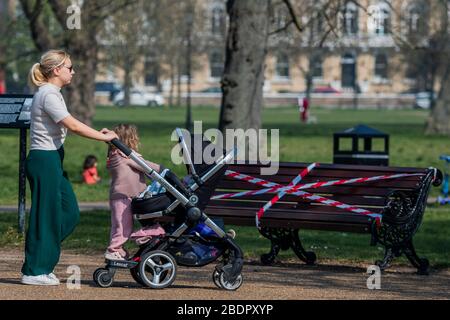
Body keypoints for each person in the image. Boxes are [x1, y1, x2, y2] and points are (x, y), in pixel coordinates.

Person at [21, 50, 118, 286]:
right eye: (69, 68)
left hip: (53, 158)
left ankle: (42, 255)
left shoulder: (53, 93)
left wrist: (99, 134)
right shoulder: (47, 94)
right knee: (46, 216)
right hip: (44, 160)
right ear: (56, 70)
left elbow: (71, 123)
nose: (73, 72)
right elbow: (73, 125)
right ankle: (35, 270)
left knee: (70, 213)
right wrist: (103, 138)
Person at [105, 124, 164, 261]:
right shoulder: (125, 156)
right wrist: (162, 169)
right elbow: (147, 166)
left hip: (123, 197)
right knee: (122, 226)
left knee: (119, 224)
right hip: (125, 197)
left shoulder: (115, 155)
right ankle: (114, 249)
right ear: (130, 140)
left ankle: (120, 248)